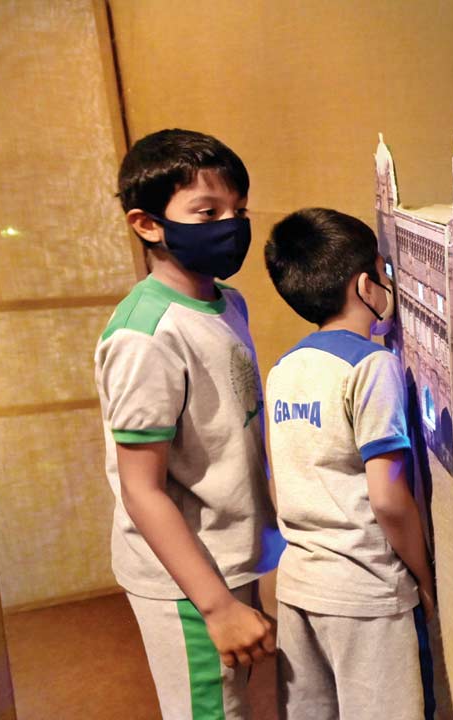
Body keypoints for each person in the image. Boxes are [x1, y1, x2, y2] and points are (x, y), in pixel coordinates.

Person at [95, 128, 277, 719]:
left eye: (238, 210)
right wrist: (217, 606)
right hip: (186, 579)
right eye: (207, 211)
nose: (230, 224)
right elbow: (141, 489)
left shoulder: (228, 302)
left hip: (228, 556)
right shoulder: (145, 337)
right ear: (148, 224)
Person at [264, 208, 436, 719]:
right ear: (367, 284)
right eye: (385, 275)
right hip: (365, 589)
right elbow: (387, 497)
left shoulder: (285, 367)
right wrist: (424, 577)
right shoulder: (372, 365)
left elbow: (282, 480)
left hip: (299, 582)